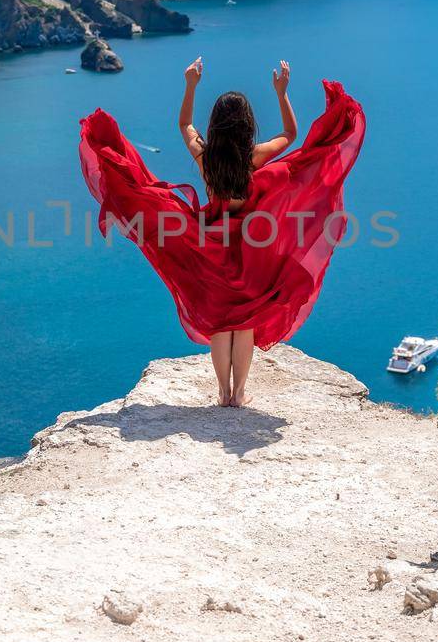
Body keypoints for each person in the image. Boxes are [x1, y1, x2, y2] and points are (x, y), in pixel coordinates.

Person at [78, 57, 365, 408]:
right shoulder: (254, 157)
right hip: (249, 250)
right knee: (244, 323)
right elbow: (291, 136)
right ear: (247, 126)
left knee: (219, 325)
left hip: (208, 246)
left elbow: (184, 124)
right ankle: (239, 393)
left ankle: (222, 392)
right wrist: (282, 93)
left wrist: (190, 85)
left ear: (215, 125)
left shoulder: (205, 155)